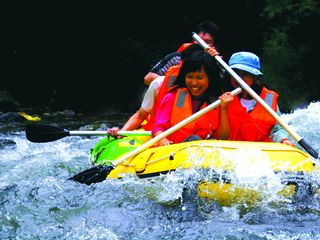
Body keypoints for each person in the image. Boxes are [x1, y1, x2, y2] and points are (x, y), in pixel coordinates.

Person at [107, 44, 221, 137]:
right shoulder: (162, 85)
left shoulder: (214, 95)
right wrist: (121, 133)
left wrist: (217, 62)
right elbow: (140, 116)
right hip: (161, 134)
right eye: (190, 74)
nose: (194, 82)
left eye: (199, 76)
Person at [151, 50, 233, 146]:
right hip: (175, 150)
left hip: (205, 151)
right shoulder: (173, 97)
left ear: (210, 78)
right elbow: (159, 127)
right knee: (194, 139)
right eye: (190, 77)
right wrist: (162, 139)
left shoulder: (217, 101)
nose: (194, 83)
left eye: (199, 78)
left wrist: (223, 109)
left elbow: (224, 137)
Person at [225, 51, 295, 146]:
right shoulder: (224, 96)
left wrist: (283, 140)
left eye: (245, 74)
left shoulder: (268, 99)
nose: (239, 78)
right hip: (230, 150)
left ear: (255, 77)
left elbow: (276, 129)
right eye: (235, 73)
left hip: (260, 152)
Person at [143, 20, 221, 85]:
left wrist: (215, 63)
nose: (201, 44)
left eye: (207, 42)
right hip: (177, 98)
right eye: (199, 40)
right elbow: (148, 79)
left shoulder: (218, 64)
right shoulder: (177, 58)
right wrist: (177, 82)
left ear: (215, 46)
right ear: (193, 40)